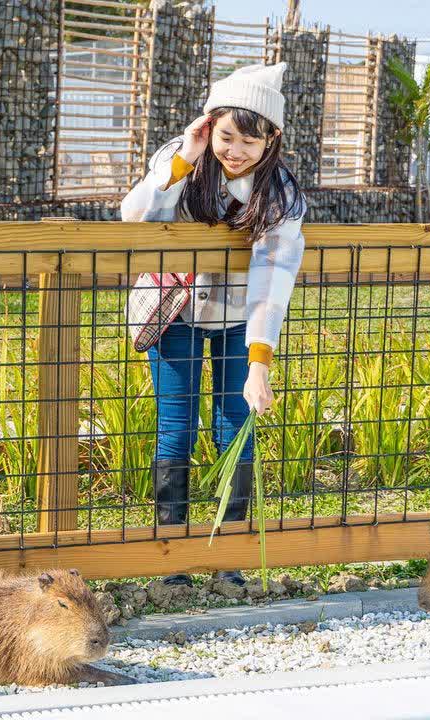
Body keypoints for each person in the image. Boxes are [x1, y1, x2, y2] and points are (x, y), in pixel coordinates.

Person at [121, 62, 306, 587]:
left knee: (234, 427)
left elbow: (273, 278)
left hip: (234, 324)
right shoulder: (180, 160)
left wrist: (259, 364)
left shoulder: (281, 195)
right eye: (227, 136)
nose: (236, 150)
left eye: (251, 140)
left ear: (272, 140)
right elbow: (133, 217)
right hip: (175, 313)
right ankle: (172, 555)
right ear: (209, 126)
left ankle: (231, 553)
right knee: (176, 429)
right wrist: (186, 156)